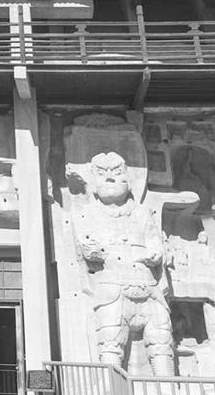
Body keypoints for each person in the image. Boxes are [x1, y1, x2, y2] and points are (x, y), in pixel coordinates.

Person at [74, 151, 174, 375]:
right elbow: (87, 247)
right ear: (93, 183)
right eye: (102, 173)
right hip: (112, 287)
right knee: (110, 343)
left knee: (161, 342)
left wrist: (154, 253)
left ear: (129, 180)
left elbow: (154, 241)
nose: (110, 178)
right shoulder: (87, 214)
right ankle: (111, 392)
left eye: (117, 172)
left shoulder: (142, 212)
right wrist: (109, 251)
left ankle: (167, 390)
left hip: (148, 286)